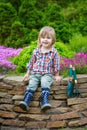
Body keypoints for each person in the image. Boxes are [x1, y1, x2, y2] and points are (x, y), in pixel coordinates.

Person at [19, 26, 61, 111]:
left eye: (48, 38)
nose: (45, 40)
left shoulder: (54, 52)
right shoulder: (36, 51)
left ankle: (44, 102)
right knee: (32, 84)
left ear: (52, 40)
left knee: (45, 83)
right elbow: (31, 63)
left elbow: (56, 64)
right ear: (39, 39)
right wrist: (27, 74)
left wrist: (57, 75)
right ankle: (26, 102)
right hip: (35, 73)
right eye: (43, 37)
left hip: (47, 74)